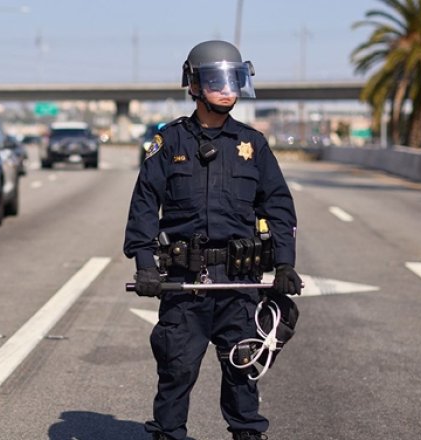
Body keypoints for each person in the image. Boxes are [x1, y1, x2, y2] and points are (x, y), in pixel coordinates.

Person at [123, 40, 303, 440]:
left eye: (234, 80)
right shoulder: (170, 143)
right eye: (217, 81)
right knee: (176, 371)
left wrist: (286, 264)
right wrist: (146, 267)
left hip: (240, 284)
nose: (228, 90)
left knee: (243, 373)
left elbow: (278, 206)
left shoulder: (253, 145)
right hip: (185, 285)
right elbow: (143, 206)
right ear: (193, 84)